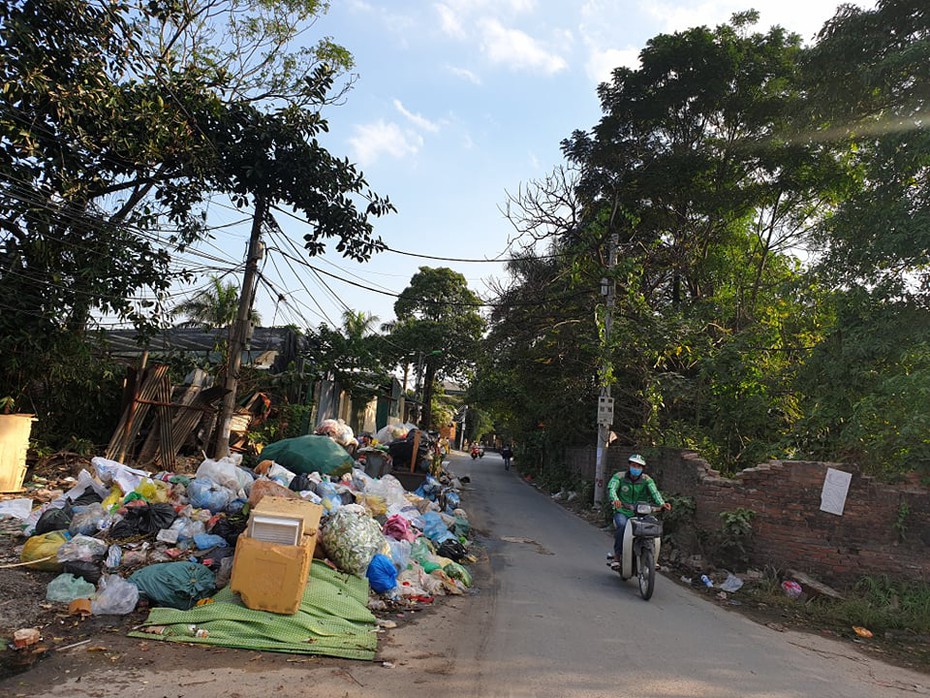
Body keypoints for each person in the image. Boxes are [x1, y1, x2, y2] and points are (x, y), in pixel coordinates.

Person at [607, 454, 671, 570]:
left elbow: (655, 492)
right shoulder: (619, 477)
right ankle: (617, 557)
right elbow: (612, 489)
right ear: (629, 465)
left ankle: (653, 558)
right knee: (621, 526)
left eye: (639, 466)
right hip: (623, 511)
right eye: (633, 465)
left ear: (642, 469)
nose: (636, 468)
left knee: (653, 528)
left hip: (642, 513)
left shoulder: (647, 480)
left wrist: (662, 503)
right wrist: (615, 499)